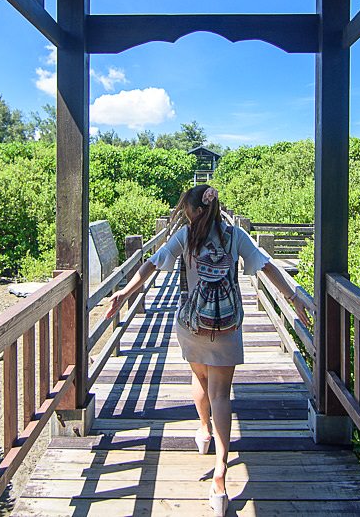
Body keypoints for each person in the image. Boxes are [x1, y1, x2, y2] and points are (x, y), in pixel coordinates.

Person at [105, 184, 309, 516]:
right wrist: (294, 296)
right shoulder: (235, 235)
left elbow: (152, 264)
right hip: (227, 325)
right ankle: (221, 476)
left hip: (192, 324)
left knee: (198, 378)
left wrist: (125, 292)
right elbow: (267, 265)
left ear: (194, 211)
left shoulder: (185, 236)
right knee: (222, 395)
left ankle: (202, 431)